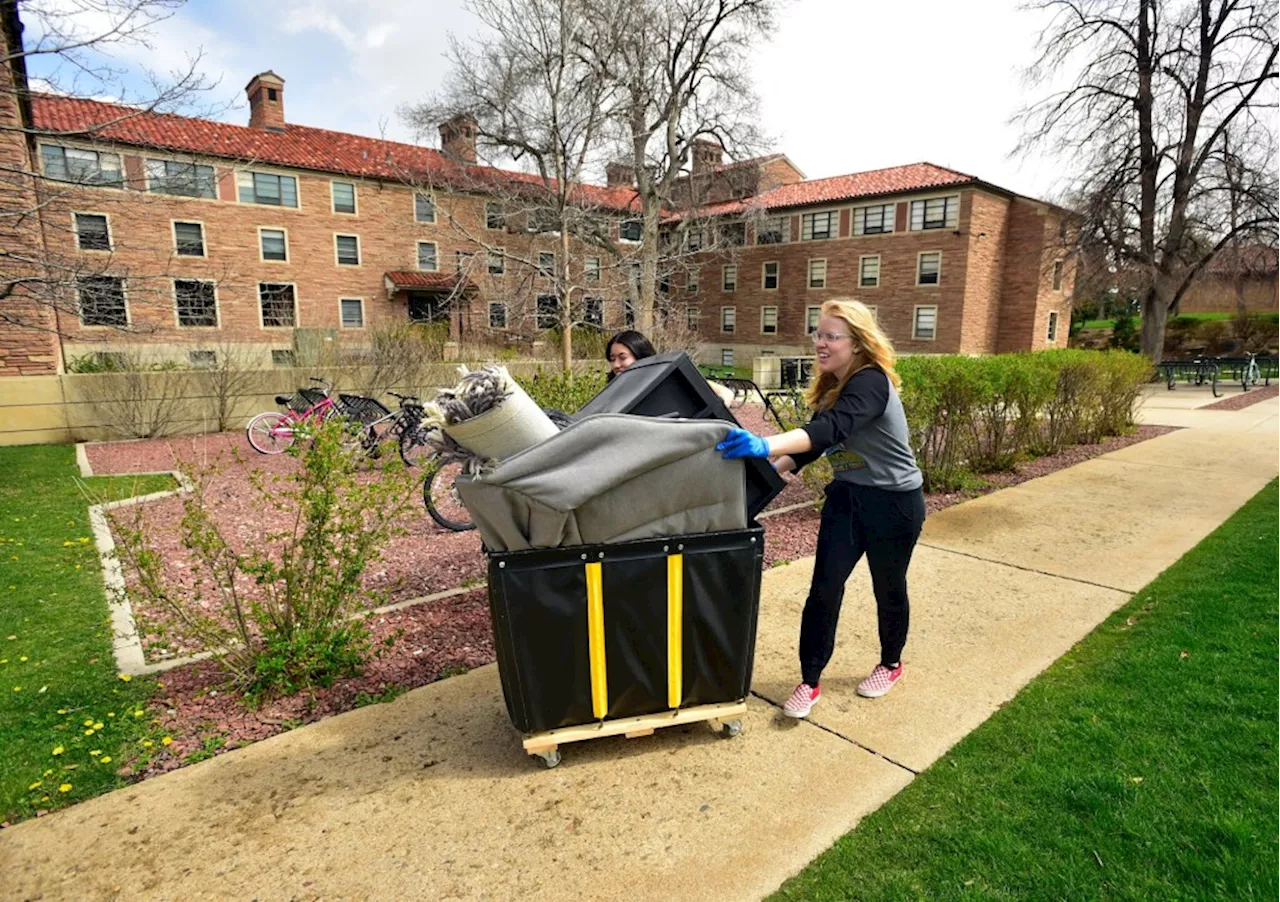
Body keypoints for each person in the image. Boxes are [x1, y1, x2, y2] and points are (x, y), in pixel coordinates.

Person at [717, 299, 925, 717]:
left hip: (895, 503)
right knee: (824, 590)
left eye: (831, 336)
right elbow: (817, 444)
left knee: (889, 588)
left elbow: (830, 429)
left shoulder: (871, 382)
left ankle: (890, 663)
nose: (820, 343)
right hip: (848, 498)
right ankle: (809, 681)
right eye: (818, 334)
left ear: (858, 343)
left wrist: (765, 443)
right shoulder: (835, 386)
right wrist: (769, 471)